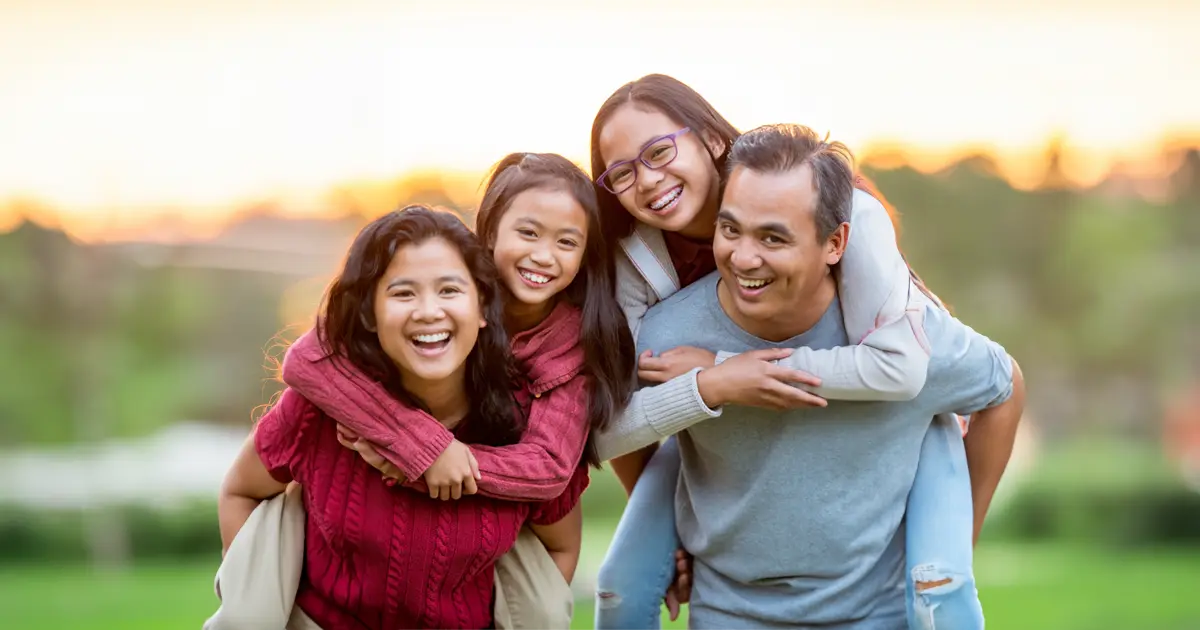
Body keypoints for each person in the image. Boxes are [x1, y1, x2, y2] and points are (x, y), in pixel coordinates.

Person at [589, 75, 1022, 629]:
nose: (647, 181)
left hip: (901, 387)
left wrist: (958, 541)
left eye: (659, 152)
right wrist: (679, 511)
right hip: (712, 451)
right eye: (622, 172)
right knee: (621, 583)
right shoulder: (637, 267)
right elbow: (615, 417)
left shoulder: (846, 215)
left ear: (711, 141)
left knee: (943, 577)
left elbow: (906, 367)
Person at [274, 154, 638, 626]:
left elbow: (548, 468)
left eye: (566, 242)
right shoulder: (442, 298)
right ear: (489, 232)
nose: (544, 255)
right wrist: (414, 439)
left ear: (585, 255)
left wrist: (438, 462)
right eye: (528, 233)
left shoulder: (570, 350)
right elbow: (308, 359)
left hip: (495, 531)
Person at [208, 206, 591, 630]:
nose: (428, 312)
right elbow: (240, 491)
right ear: (370, 315)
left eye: (449, 291)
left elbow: (560, 550)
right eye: (403, 293)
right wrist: (251, 597)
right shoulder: (318, 411)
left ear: (483, 308)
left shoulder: (523, 428)